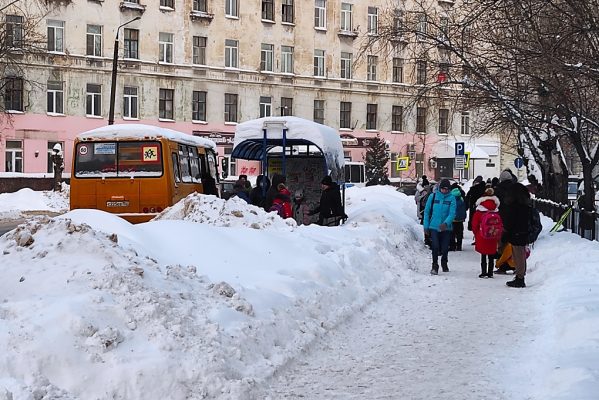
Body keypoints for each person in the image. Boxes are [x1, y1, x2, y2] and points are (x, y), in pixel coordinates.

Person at [423, 179, 456, 275]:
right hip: (434, 226)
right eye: (443, 189)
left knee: (445, 247)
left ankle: (444, 261)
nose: (444, 191)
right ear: (440, 188)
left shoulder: (452, 198)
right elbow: (427, 212)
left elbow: (452, 213)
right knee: (435, 246)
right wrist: (426, 226)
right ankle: (434, 265)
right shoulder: (433, 197)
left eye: (446, 189)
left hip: (446, 228)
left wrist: (446, 223)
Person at [501, 181, 532, 288]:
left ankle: (520, 278)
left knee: (518, 255)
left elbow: (510, 221)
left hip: (516, 233)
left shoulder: (514, 206)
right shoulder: (525, 204)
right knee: (520, 255)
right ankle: (520, 276)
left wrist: (506, 231)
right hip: (522, 232)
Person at [471, 186, 502, 278]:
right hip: (493, 234)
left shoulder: (480, 210)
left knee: (483, 254)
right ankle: (490, 272)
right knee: (491, 254)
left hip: (482, 235)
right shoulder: (496, 210)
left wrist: (476, 233)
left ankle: (484, 272)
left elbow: (474, 224)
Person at [449, 182, 467, 251]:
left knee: (452, 233)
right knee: (459, 233)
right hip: (460, 219)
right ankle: (459, 246)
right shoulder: (461, 199)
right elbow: (464, 208)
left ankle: (452, 246)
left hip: (453, 219)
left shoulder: (451, 200)